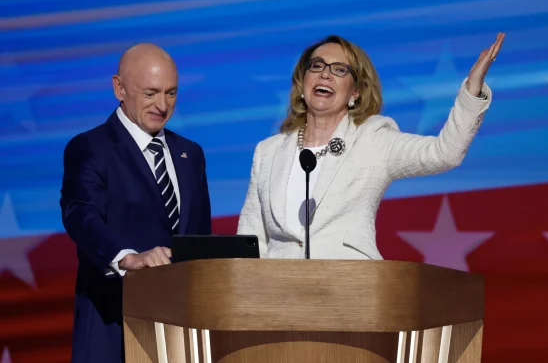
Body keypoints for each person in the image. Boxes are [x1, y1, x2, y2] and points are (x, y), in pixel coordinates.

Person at [237, 33, 505, 260]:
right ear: (302, 82)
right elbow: (250, 240)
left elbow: (444, 153)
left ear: (355, 92)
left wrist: (472, 91)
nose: (325, 74)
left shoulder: (373, 140)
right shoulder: (268, 152)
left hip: (352, 295)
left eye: (340, 69)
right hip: (276, 301)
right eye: (316, 66)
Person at [59, 43, 212, 362]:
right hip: (114, 325)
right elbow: (81, 215)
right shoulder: (90, 148)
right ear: (119, 88)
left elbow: (200, 239)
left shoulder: (191, 154)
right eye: (151, 93)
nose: (163, 105)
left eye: (171, 93)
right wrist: (127, 259)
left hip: (179, 331)